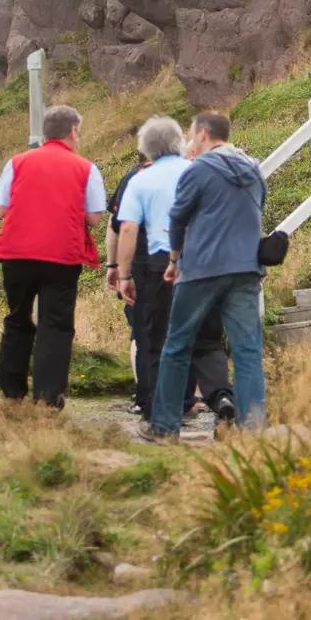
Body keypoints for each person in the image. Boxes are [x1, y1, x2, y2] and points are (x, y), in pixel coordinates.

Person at [142, 112, 266, 441]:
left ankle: (165, 427)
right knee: (247, 350)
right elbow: (256, 217)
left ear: (202, 135)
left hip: (201, 269)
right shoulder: (254, 168)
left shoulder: (197, 170)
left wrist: (173, 259)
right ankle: (251, 429)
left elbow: (179, 217)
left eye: (192, 134)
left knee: (178, 345)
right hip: (245, 270)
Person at [115, 117, 235, 424]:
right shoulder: (200, 171)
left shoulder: (140, 179)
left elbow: (127, 229)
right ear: (180, 142)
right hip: (205, 264)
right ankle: (220, 395)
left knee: (156, 341)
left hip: (157, 268)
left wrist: (123, 274)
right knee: (206, 338)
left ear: (146, 148)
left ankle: (161, 416)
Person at [0, 104, 107, 406]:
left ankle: (12, 391)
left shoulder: (16, 163)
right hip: (61, 255)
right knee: (55, 325)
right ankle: (47, 397)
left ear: (45, 133)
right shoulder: (86, 168)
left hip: (16, 253)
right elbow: (95, 217)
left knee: (17, 318)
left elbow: (1, 209)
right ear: (72, 132)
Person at [105, 149, 149, 412]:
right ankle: (187, 397)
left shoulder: (132, 178)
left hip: (140, 264)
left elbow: (117, 226)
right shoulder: (185, 171)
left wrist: (116, 267)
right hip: (179, 263)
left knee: (140, 333)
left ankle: (143, 396)